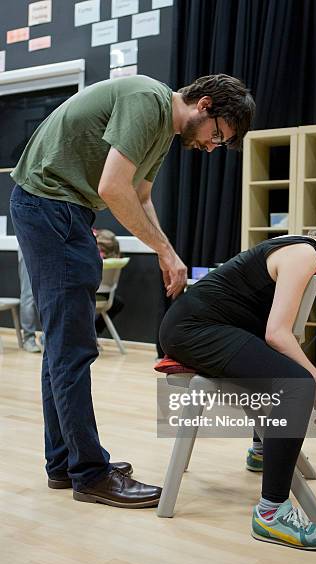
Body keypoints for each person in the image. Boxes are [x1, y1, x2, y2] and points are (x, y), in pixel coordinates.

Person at [9, 73, 255, 509]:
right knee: (73, 349)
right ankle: (90, 474)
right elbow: (111, 188)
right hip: (51, 206)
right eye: (218, 135)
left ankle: (64, 464)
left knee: (64, 348)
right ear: (204, 104)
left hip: (63, 209)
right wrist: (162, 249)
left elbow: (139, 195)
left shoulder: (163, 130)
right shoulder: (148, 101)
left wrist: (168, 253)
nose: (213, 146)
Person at [159, 212, 316, 549]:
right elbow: (277, 334)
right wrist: (315, 378)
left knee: (285, 373)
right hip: (193, 330)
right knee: (297, 384)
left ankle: (262, 450)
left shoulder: (307, 252)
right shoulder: (304, 254)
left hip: (208, 327)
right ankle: (272, 514)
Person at [93, 229, 124, 339]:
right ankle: (93, 332)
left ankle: (93, 332)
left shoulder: (92, 255)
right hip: (103, 299)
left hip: (88, 297)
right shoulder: (116, 260)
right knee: (117, 303)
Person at [17, 246, 42, 353]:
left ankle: (47, 336)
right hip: (29, 243)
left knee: (52, 294)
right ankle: (28, 338)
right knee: (29, 295)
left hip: (51, 242)